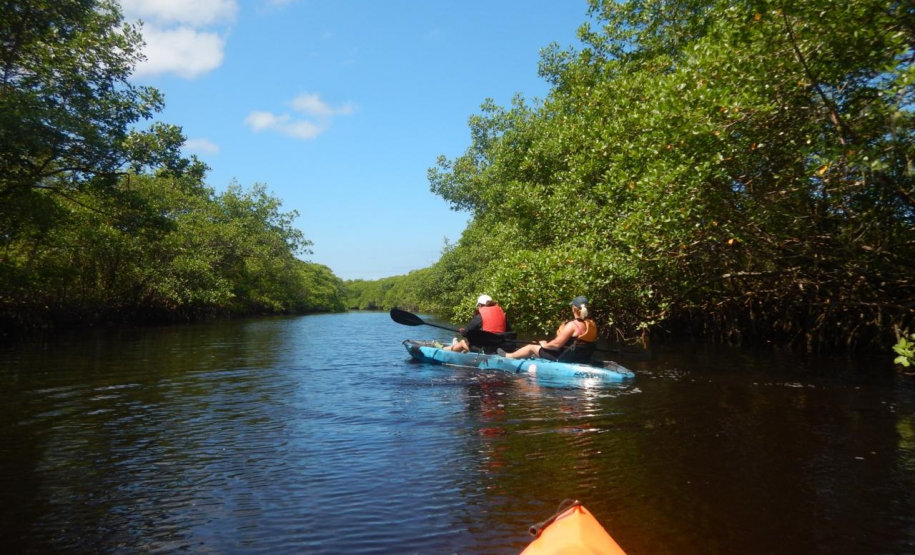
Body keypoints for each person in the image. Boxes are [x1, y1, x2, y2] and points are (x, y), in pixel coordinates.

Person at [501, 296, 597, 362]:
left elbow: (556, 344)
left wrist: (545, 345)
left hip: (563, 358)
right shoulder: (589, 324)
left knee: (531, 346)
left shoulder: (572, 325)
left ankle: (508, 356)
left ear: (574, 308)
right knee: (537, 344)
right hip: (579, 358)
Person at [443, 294, 511, 353]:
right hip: (499, 347)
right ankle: (455, 346)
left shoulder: (479, 317)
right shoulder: (501, 315)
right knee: (471, 341)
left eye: (478, 306)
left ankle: (444, 349)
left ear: (480, 305)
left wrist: (462, 331)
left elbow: (466, 333)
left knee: (463, 342)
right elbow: (508, 331)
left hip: (485, 349)